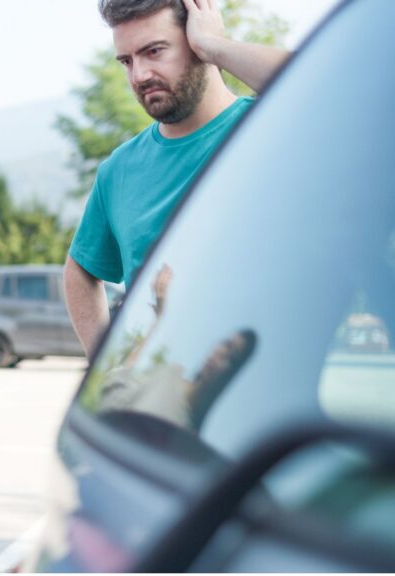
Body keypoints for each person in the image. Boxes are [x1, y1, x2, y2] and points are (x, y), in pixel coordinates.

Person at [64, 0, 289, 358]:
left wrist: (217, 47)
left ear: (195, 39)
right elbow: (80, 270)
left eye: (154, 51)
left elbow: (334, 86)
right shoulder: (118, 170)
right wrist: (102, 367)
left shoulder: (270, 128)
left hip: (266, 394)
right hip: (161, 399)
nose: (138, 75)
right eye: (127, 61)